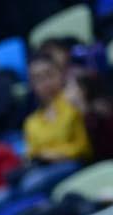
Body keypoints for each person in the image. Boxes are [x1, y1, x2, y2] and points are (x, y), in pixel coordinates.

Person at [20, 55, 91, 194]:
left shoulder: (74, 101)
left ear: (61, 74)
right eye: (38, 78)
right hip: (45, 169)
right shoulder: (31, 122)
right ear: (32, 85)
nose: (45, 82)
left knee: (30, 185)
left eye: (49, 74)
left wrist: (54, 154)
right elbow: (32, 154)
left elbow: (85, 147)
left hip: (76, 163)